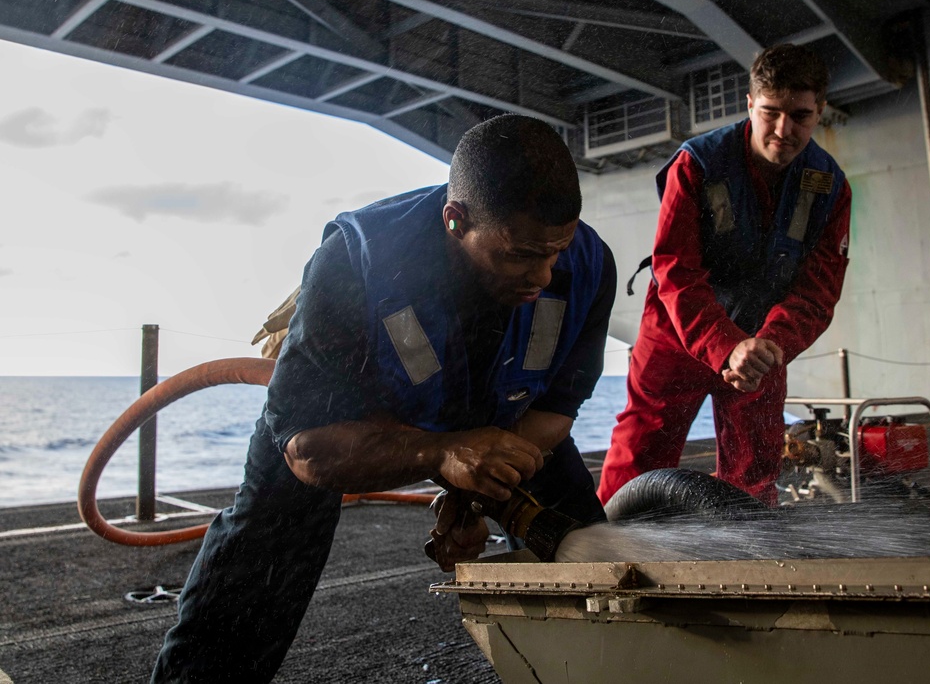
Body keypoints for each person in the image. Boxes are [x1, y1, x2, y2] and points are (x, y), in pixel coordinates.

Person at [151, 114, 616, 682]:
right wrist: (440, 456)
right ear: (456, 220)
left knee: (593, 560)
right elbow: (307, 450)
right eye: (519, 255)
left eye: (554, 253)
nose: (542, 275)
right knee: (264, 547)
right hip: (355, 410)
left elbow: (553, 413)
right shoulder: (358, 262)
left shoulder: (588, 265)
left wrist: (478, 492)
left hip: (504, 414)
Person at [598, 44, 851, 507]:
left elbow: (818, 290)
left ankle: (746, 563)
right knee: (641, 456)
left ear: (820, 112)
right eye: (771, 112)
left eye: (800, 116)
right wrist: (723, 346)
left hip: (763, 342)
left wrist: (769, 345)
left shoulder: (831, 186)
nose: (783, 130)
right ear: (750, 103)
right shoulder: (696, 164)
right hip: (679, 328)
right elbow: (675, 270)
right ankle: (600, 556)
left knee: (754, 472)